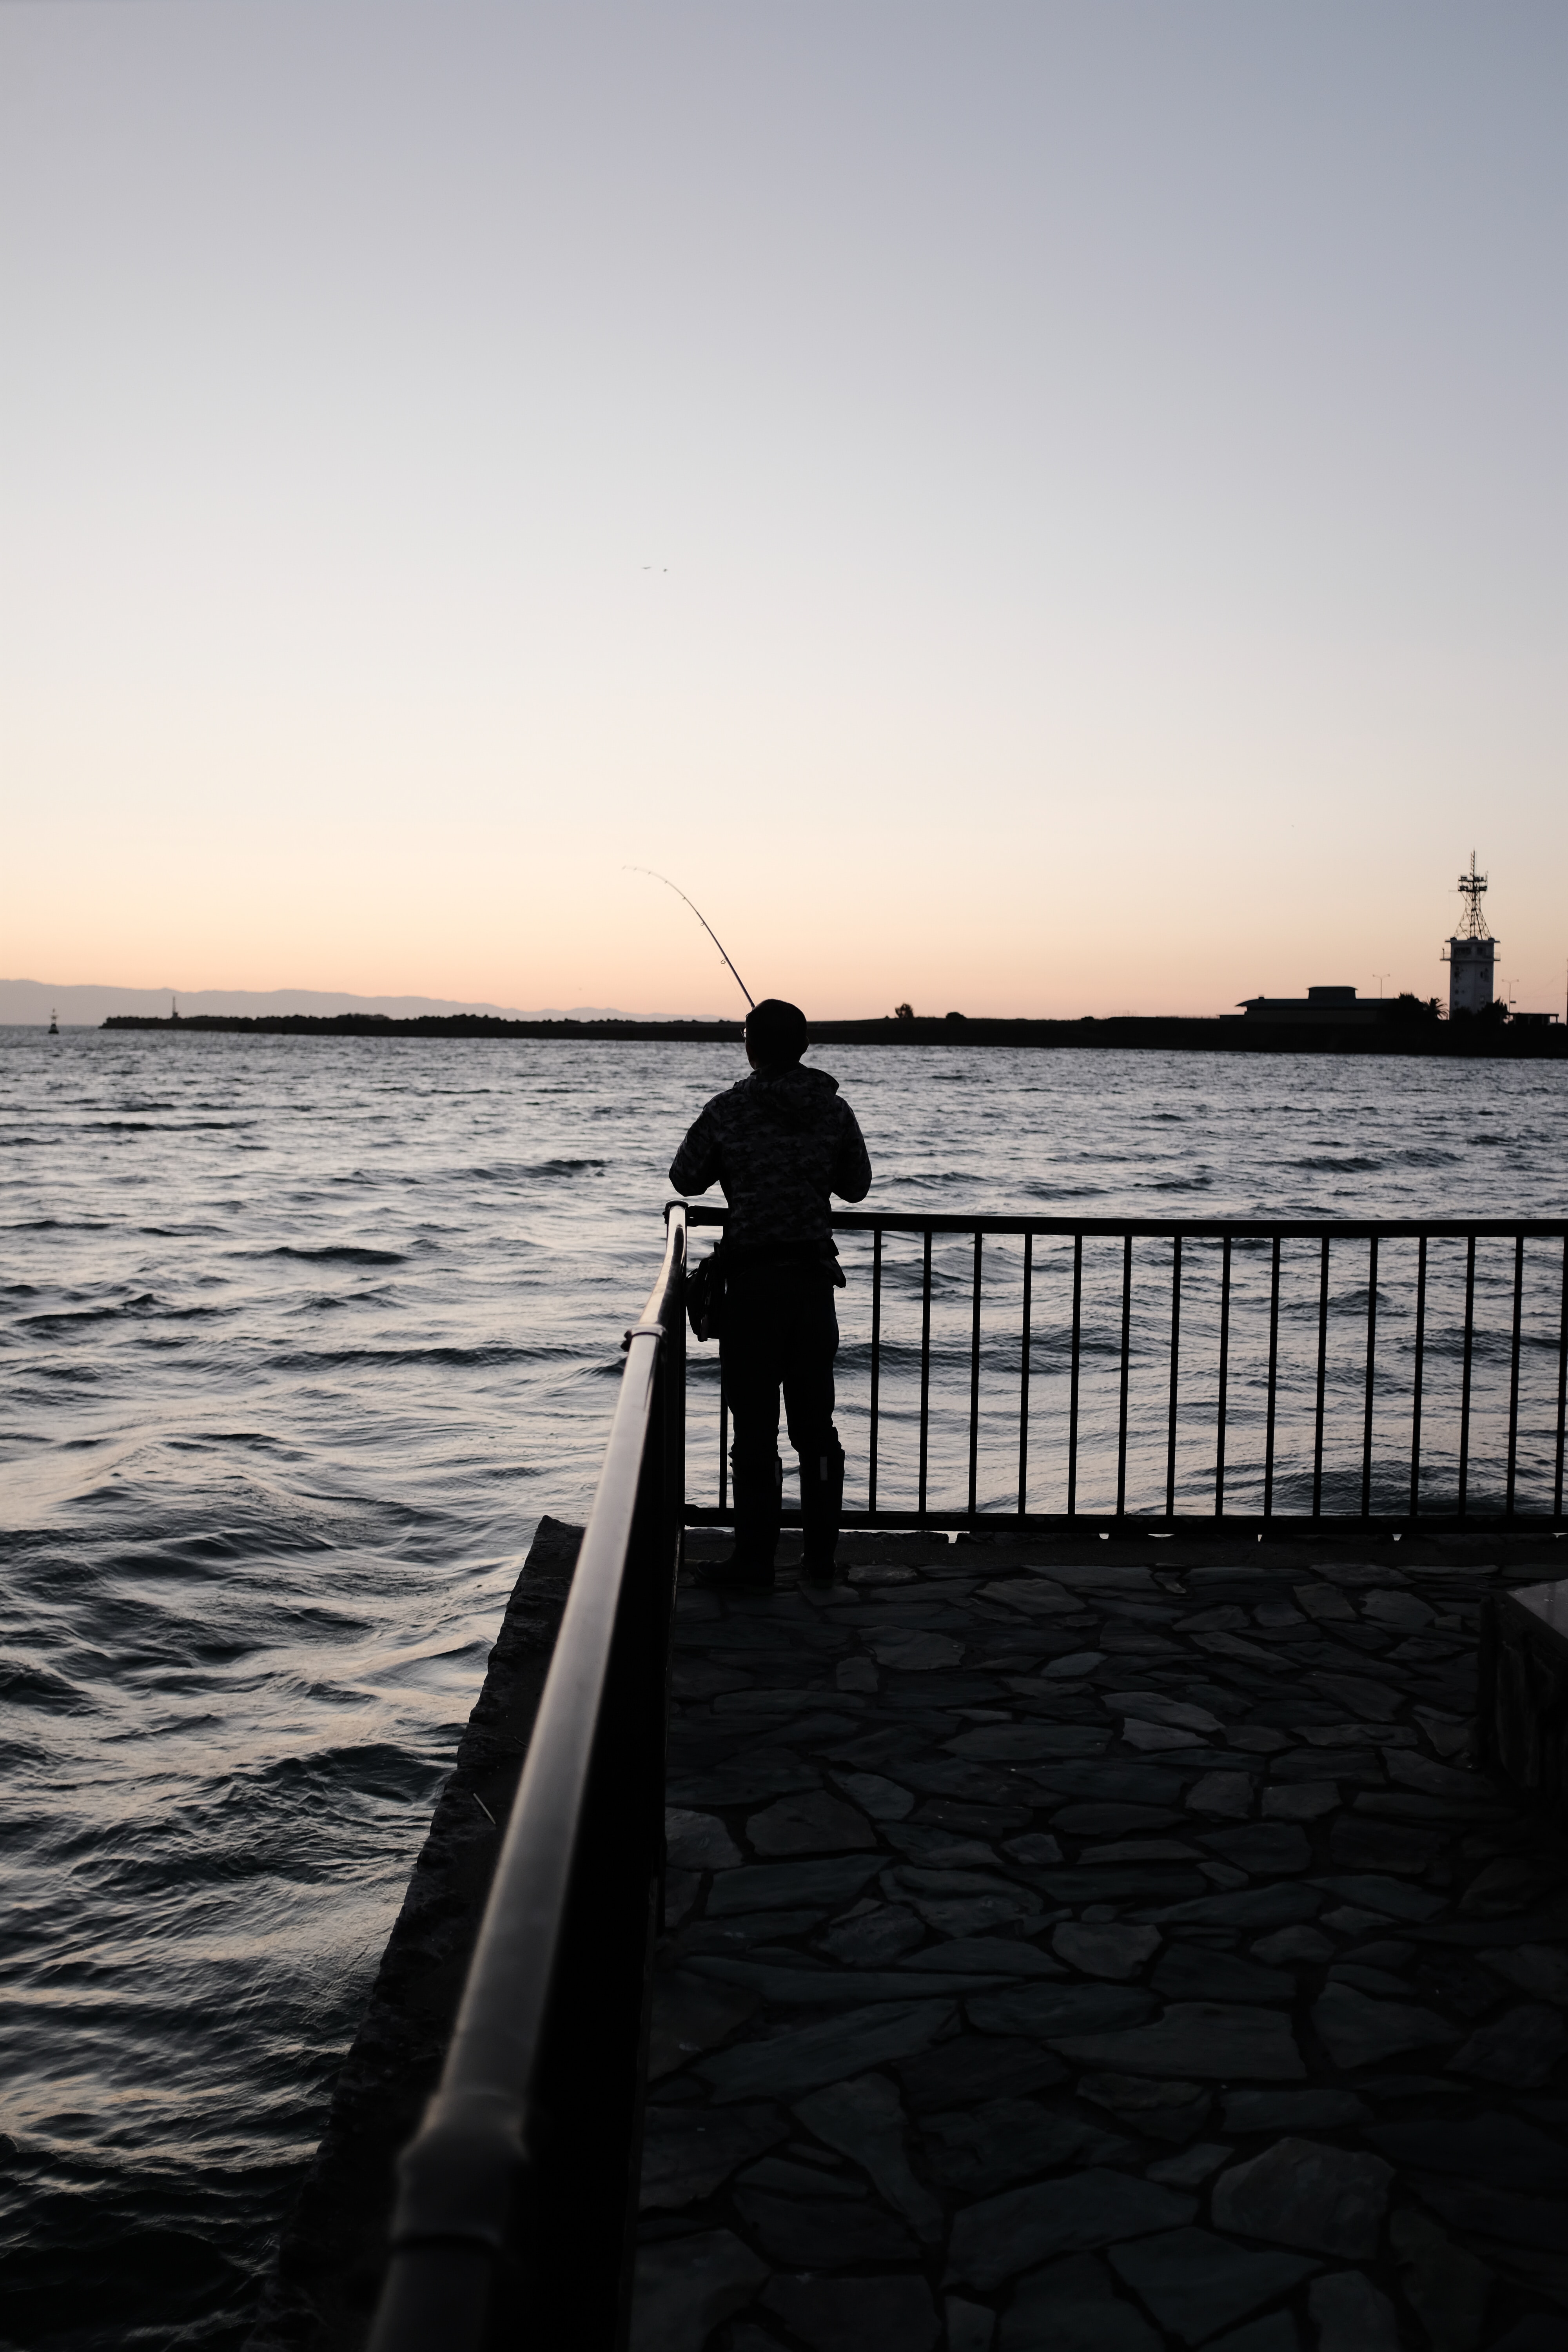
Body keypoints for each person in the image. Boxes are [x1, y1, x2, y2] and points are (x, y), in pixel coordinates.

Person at [669, 998, 871, 1589]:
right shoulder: (833, 1111)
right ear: (803, 1047)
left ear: (751, 1046)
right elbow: (856, 1188)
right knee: (817, 1429)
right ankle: (821, 1560)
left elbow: (684, 1178)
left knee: (753, 1429)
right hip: (811, 1287)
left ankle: (754, 1562)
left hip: (754, 1287)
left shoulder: (729, 1109)